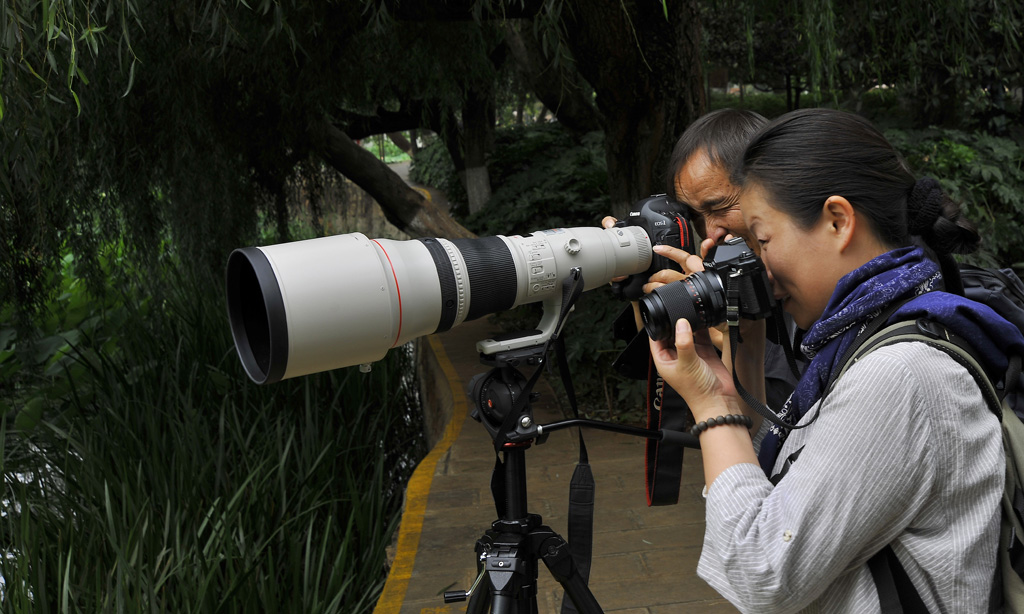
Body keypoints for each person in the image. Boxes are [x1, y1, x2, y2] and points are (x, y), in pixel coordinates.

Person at [650, 107, 1024, 612]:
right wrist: (746, 355)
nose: (757, 264)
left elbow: (762, 570)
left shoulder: (900, 374)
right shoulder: (870, 331)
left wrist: (713, 409)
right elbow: (786, 485)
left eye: (762, 241)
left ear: (837, 221)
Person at [605, 108, 801, 409]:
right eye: (695, 215)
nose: (710, 232)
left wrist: (733, 336)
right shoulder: (719, 272)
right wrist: (640, 283)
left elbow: (788, 428)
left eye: (720, 207)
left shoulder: (810, 281)